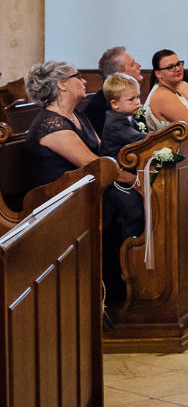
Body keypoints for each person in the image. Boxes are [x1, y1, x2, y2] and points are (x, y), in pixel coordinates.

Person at [24, 60, 144, 304]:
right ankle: (124, 283)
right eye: (77, 76)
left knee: (135, 205)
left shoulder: (75, 114)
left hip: (85, 192)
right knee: (135, 204)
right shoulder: (51, 124)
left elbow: (103, 153)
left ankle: (128, 282)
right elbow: (96, 165)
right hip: (60, 202)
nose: (84, 80)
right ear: (61, 85)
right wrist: (136, 180)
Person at [83, 45, 144, 138]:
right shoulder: (98, 108)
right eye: (132, 64)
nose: (139, 65)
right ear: (119, 76)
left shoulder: (129, 99)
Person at [99, 72, 148, 162]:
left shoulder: (126, 115)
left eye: (138, 97)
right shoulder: (115, 122)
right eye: (131, 99)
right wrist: (159, 137)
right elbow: (138, 139)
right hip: (115, 168)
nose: (137, 102)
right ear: (115, 104)